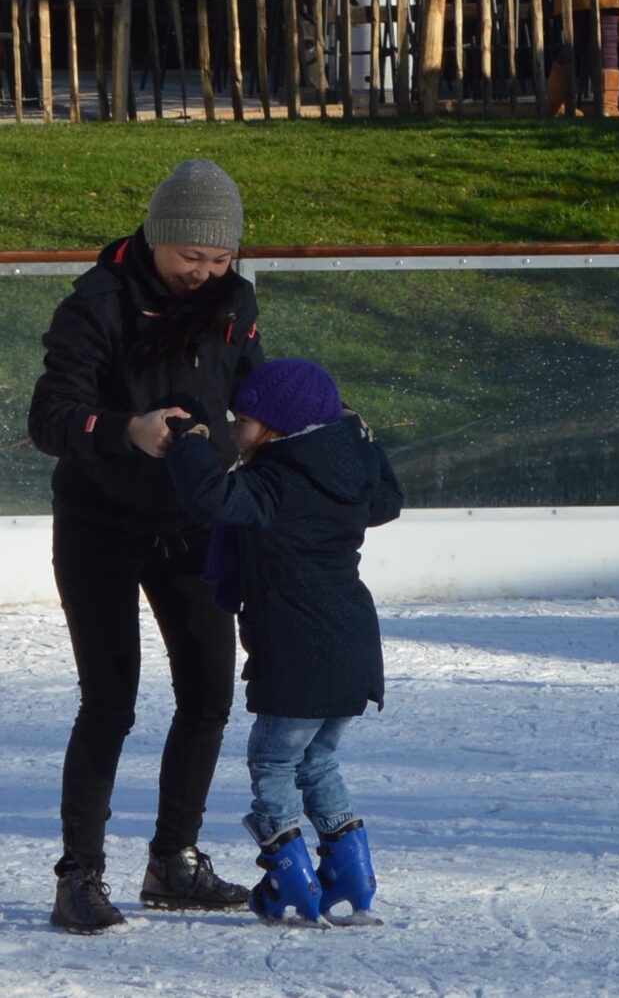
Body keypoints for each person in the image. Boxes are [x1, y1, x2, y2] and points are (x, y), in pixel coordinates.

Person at [27, 161, 263, 933]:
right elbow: (48, 417)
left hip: (194, 520)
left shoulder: (235, 301)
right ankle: (79, 874)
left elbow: (256, 392)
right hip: (99, 525)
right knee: (111, 698)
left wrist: (296, 430)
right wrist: (122, 428)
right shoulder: (98, 303)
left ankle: (174, 858)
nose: (204, 270)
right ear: (159, 238)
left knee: (209, 692)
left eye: (219, 257)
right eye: (190, 255)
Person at [166, 357, 404, 927]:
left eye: (242, 420)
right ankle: (352, 874)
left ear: (277, 426)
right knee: (318, 762)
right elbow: (388, 500)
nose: (232, 429)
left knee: (273, 761)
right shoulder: (350, 468)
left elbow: (208, 498)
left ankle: (287, 874)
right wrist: (360, 432)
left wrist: (189, 440)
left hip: (297, 649)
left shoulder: (275, 480)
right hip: (352, 645)